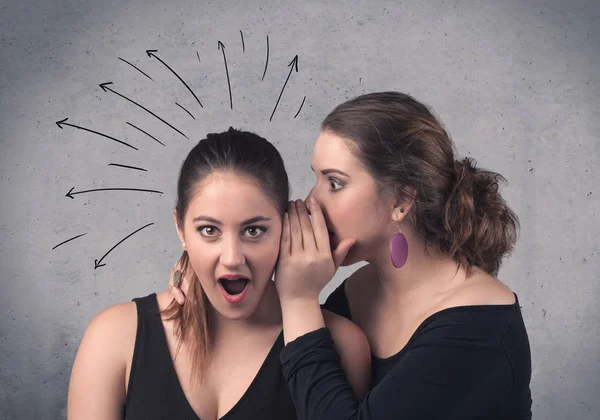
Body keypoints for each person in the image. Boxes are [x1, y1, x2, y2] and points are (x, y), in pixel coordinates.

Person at [172, 92, 533, 419]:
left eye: (335, 183)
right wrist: (207, 276)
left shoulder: (479, 328)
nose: (312, 201)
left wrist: (299, 299)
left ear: (401, 201)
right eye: (316, 178)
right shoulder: (362, 289)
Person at [67, 128, 371, 420]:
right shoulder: (113, 338)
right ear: (180, 227)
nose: (232, 258)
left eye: (254, 230)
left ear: (287, 228)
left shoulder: (344, 347)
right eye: (209, 230)